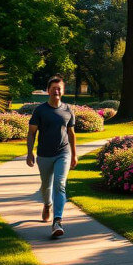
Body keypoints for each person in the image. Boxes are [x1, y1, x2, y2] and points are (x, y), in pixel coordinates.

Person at [26, 75, 77, 238]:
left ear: (63, 91)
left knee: (60, 184)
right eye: (53, 87)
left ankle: (57, 221)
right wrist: (29, 153)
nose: (56, 90)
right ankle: (47, 204)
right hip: (44, 155)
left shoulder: (68, 109)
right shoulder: (40, 110)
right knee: (46, 185)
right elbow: (31, 133)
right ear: (48, 91)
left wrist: (74, 155)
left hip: (63, 153)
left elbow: (71, 134)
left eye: (59, 87)